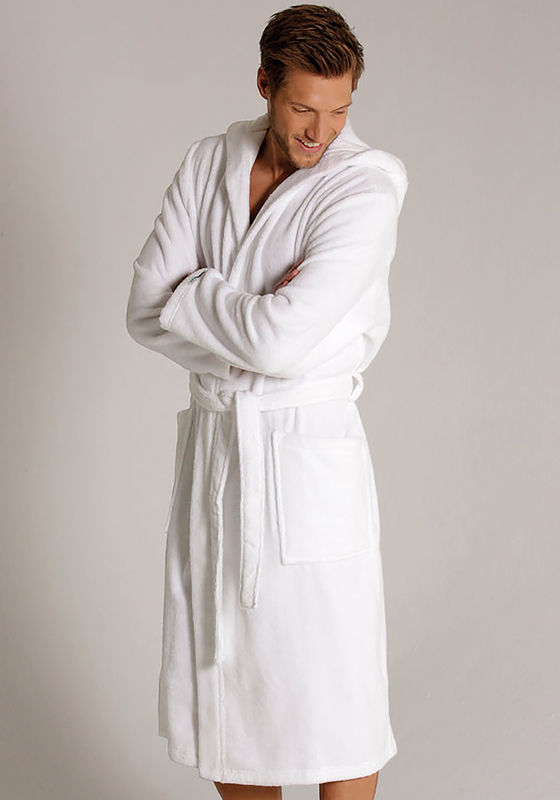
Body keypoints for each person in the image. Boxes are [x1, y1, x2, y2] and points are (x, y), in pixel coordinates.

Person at [126, 4, 408, 799]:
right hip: (221, 452)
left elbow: (278, 346)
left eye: (339, 110)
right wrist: (250, 321)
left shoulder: (364, 189)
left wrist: (195, 292)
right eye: (302, 108)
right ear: (264, 83)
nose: (322, 131)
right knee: (232, 698)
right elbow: (143, 311)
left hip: (306, 451)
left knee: (334, 690)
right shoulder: (209, 162)